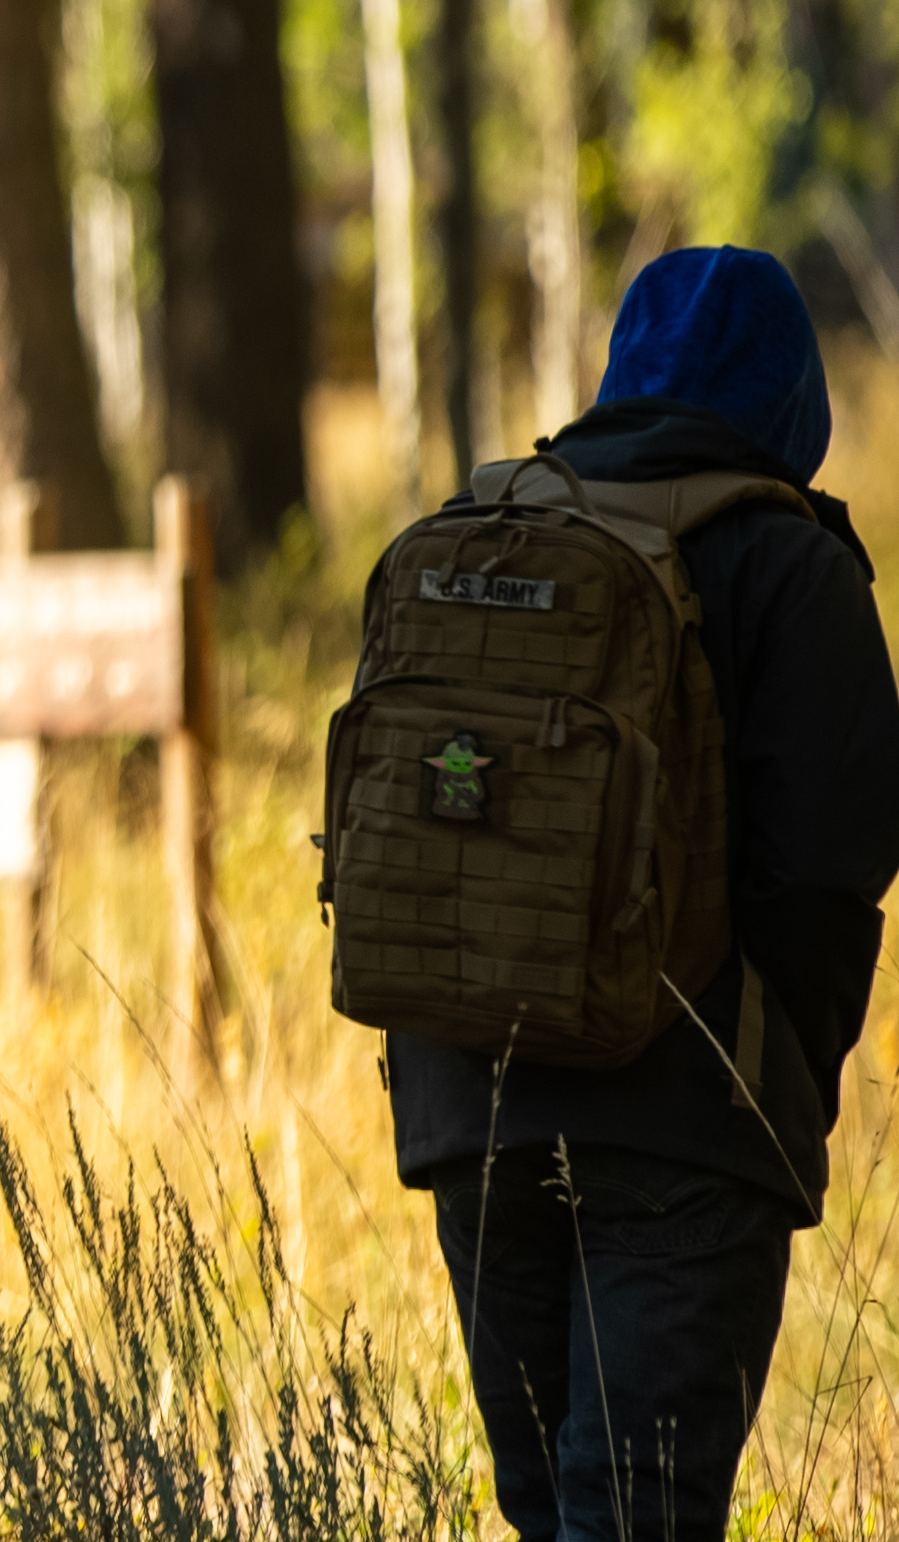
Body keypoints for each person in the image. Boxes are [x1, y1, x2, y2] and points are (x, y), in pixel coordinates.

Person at [382, 247, 899, 1539]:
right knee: (637, 1512)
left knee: (547, 1508)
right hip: (688, 1117)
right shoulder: (790, 563)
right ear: (796, 398)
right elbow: (830, 875)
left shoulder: (483, 532)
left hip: (471, 1106)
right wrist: (777, 1079)